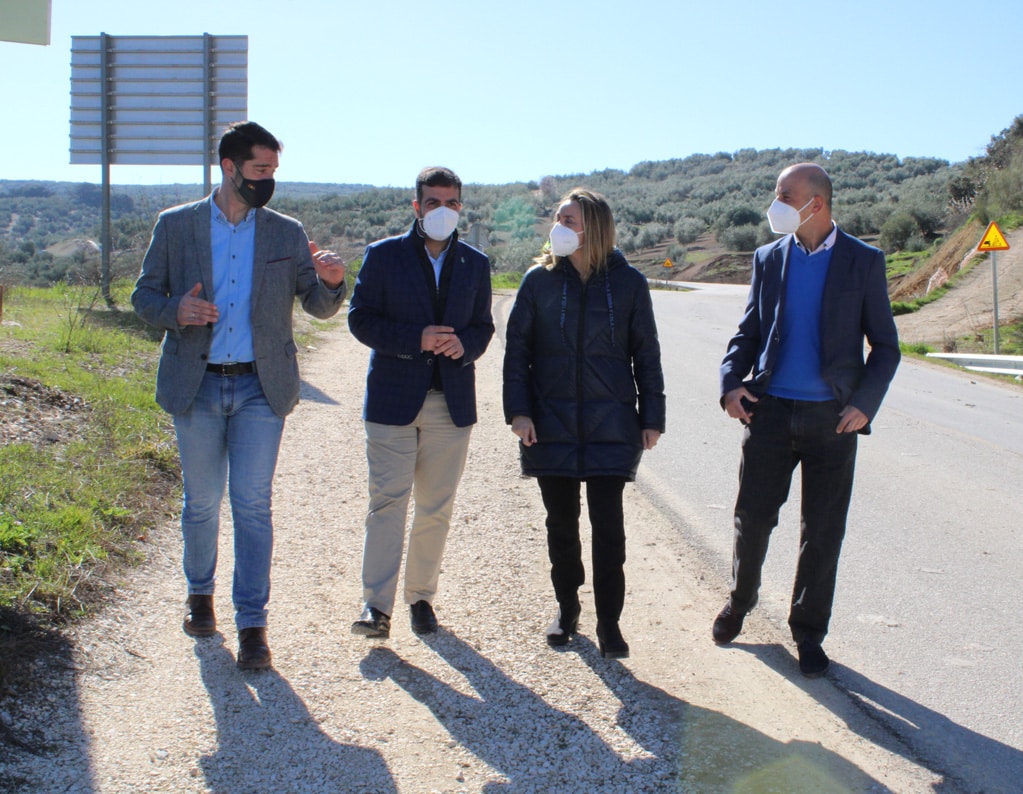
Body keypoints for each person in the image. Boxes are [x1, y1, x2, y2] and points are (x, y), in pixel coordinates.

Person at [132, 120, 346, 671]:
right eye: (260, 171)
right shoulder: (176, 226)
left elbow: (318, 308)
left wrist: (331, 281)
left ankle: (253, 625)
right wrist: (175, 311)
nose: (268, 180)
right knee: (201, 503)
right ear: (229, 168)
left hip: (260, 387)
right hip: (196, 384)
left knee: (252, 506)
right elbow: (143, 296)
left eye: (273, 171)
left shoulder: (284, 232)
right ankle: (199, 597)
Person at [712, 163, 900, 677]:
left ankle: (809, 633)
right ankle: (740, 603)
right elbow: (747, 333)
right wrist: (731, 383)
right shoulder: (768, 258)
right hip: (769, 414)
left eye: (784, 195)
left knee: (823, 533)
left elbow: (885, 346)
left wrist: (866, 402)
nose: (775, 203)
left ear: (815, 203)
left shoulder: (864, 261)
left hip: (832, 421)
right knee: (752, 519)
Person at [503, 188, 665, 659]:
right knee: (561, 525)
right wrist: (519, 412)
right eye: (557, 217)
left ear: (592, 227)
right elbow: (518, 353)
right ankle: (567, 607)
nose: (559, 225)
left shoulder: (629, 284)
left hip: (610, 423)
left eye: (569, 219)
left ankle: (609, 623)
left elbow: (646, 355)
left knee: (608, 530)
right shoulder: (538, 281)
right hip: (548, 423)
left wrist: (651, 416)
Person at [348, 167, 494, 640]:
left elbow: (483, 328)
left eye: (452, 203)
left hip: (450, 405)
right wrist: (418, 339)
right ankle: (377, 607)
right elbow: (360, 320)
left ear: (461, 209)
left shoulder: (475, 263)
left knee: (436, 506)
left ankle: (421, 599)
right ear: (417, 207)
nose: (443, 212)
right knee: (387, 504)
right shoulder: (383, 256)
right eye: (434, 202)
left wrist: (464, 346)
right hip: (392, 402)